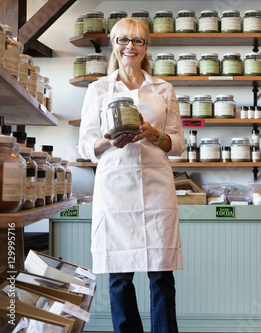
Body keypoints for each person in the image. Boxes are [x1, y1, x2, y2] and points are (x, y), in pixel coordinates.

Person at [78, 18, 183, 333]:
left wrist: (153, 134)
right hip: (116, 188)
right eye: (124, 40)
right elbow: (85, 145)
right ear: (113, 44)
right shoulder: (98, 89)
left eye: (138, 41)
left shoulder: (163, 88)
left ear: (146, 47)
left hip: (157, 187)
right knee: (119, 274)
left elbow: (177, 143)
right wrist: (107, 142)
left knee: (161, 274)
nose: (131, 47)